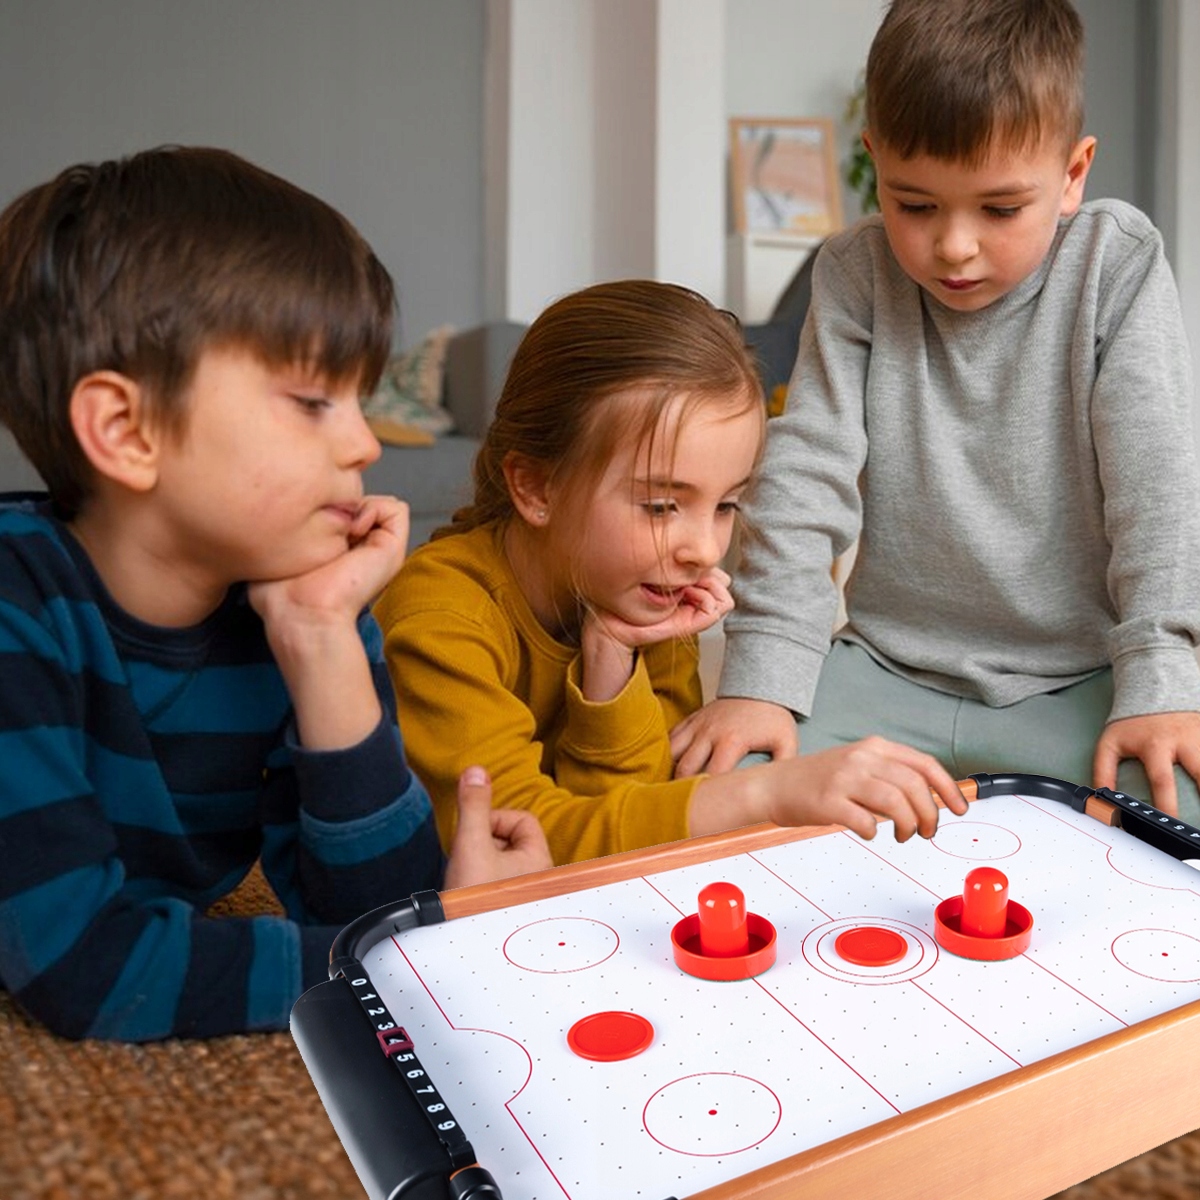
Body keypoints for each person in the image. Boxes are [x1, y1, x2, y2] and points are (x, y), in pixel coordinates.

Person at [0, 146, 550, 1042]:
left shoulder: (302, 596)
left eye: (360, 401)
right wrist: (412, 967)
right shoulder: (18, 605)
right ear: (124, 429)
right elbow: (85, 971)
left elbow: (380, 906)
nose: (366, 444)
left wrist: (321, 638)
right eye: (312, 402)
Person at [671, 0, 1200, 828]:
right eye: (914, 205)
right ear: (872, 159)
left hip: (1077, 680)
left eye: (999, 210)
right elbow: (805, 474)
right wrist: (762, 678)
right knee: (731, 798)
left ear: (1072, 174)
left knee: (1179, 815)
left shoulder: (1118, 262)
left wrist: (1163, 677)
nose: (953, 246)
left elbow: (1159, 491)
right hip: (886, 671)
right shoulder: (853, 273)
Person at [375, 280, 967, 866]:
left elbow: (637, 819)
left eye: (726, 505)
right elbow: (517, 852)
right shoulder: (439, 618)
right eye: (661, 507)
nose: (705, 550)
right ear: (535, 486)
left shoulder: (643, 592)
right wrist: (766, 793)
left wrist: (611, 665)